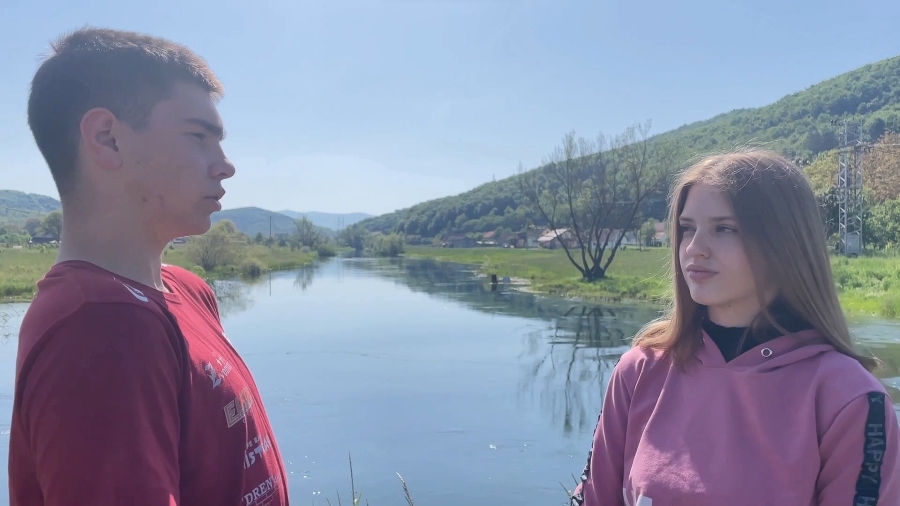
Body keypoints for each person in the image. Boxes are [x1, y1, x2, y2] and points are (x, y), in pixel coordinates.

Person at [8, 27, 290, 506]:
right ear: (108, 139)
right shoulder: (99, 326)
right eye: (198, 136)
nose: (225, 165)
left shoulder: (185, 288)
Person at [571, 149, 900, 505]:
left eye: (725, 229)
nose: (694, 248)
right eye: (687, 228)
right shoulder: (639, 372)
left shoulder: (849, 398)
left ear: (785, 244)